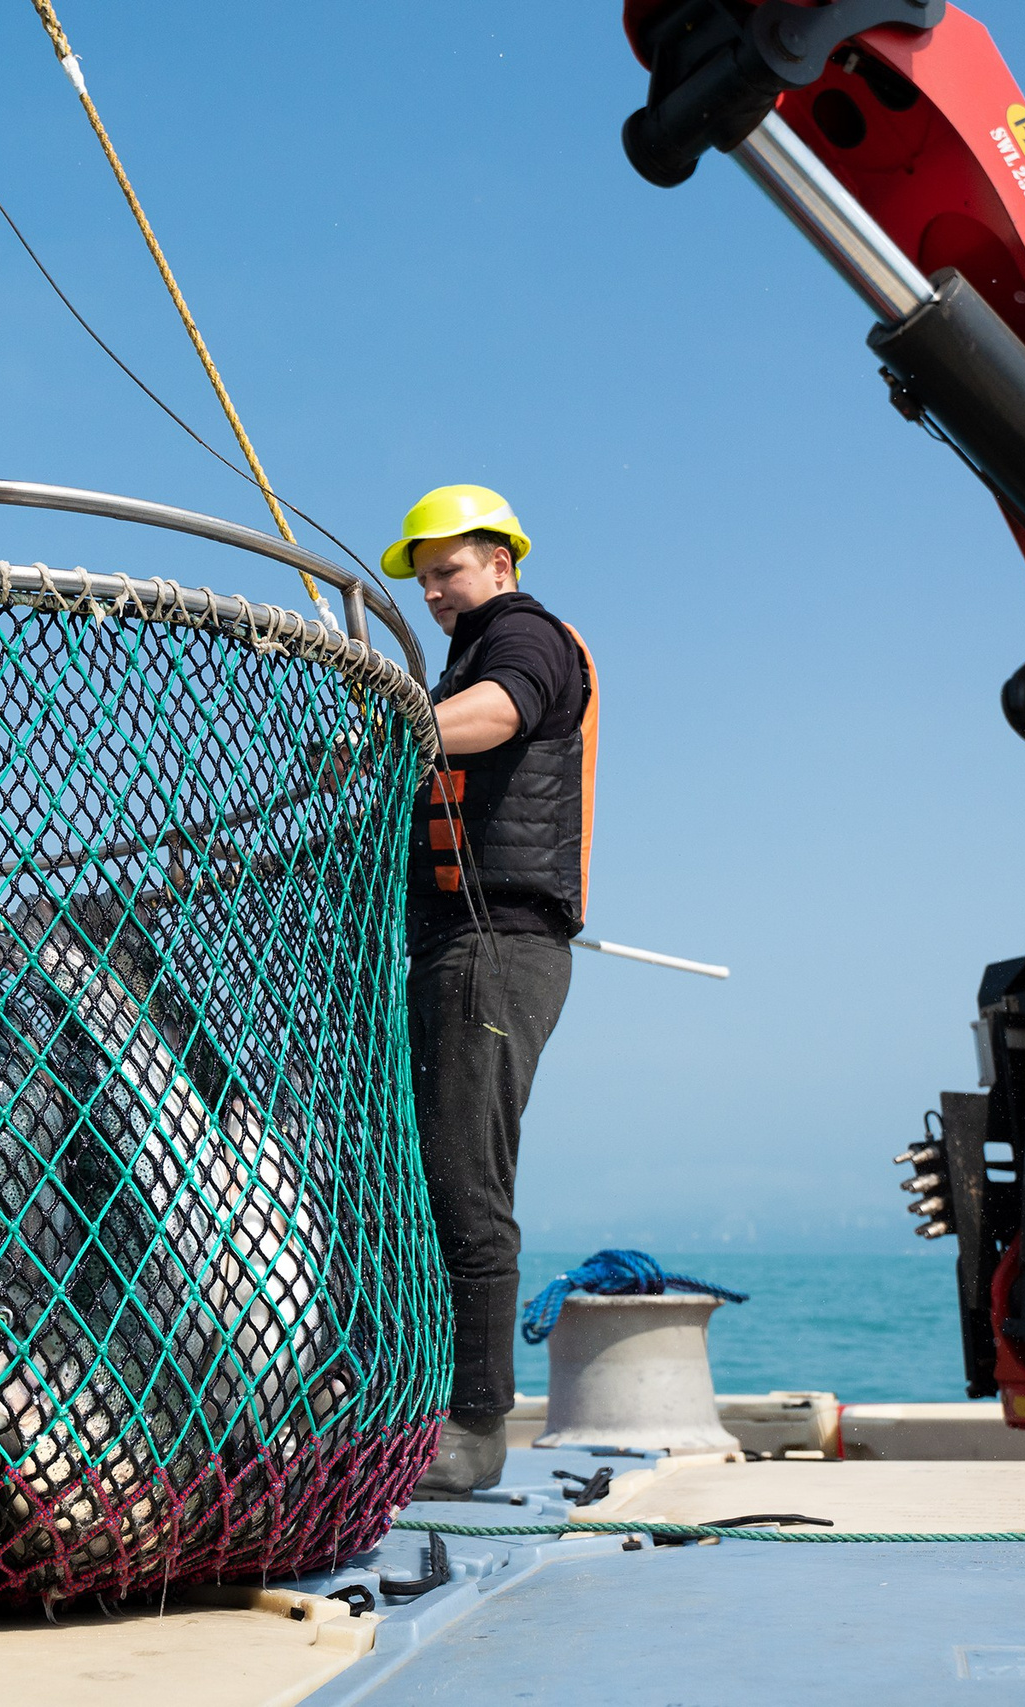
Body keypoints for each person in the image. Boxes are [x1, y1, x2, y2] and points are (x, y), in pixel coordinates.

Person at [381, 484, 599, 1500]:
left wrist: (396, 729)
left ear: (502, 563)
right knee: (428, 1178)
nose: (433, 590)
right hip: (455, 946)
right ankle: (419, 1406)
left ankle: (472, 1431)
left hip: (497, 946)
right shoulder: (467, 649)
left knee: (467, 1188)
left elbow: (496, 717)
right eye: (424, 577)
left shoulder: (525, 637)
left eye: (449, 569)